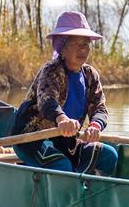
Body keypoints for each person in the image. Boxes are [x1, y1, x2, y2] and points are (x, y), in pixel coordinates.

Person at [12, 11, 118, 176]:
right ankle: (69, 187)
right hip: (32, 139)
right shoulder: (51, 71)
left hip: (65, 141)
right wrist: (62, 119)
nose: (83, 49)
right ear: (63, 46)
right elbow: (47, 101)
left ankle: (86, 188)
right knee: (62, 167)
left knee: (109, 155)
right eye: (77, 43)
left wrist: (95, 126)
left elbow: (100, 107)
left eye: (86, 43)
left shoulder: (90, 75)